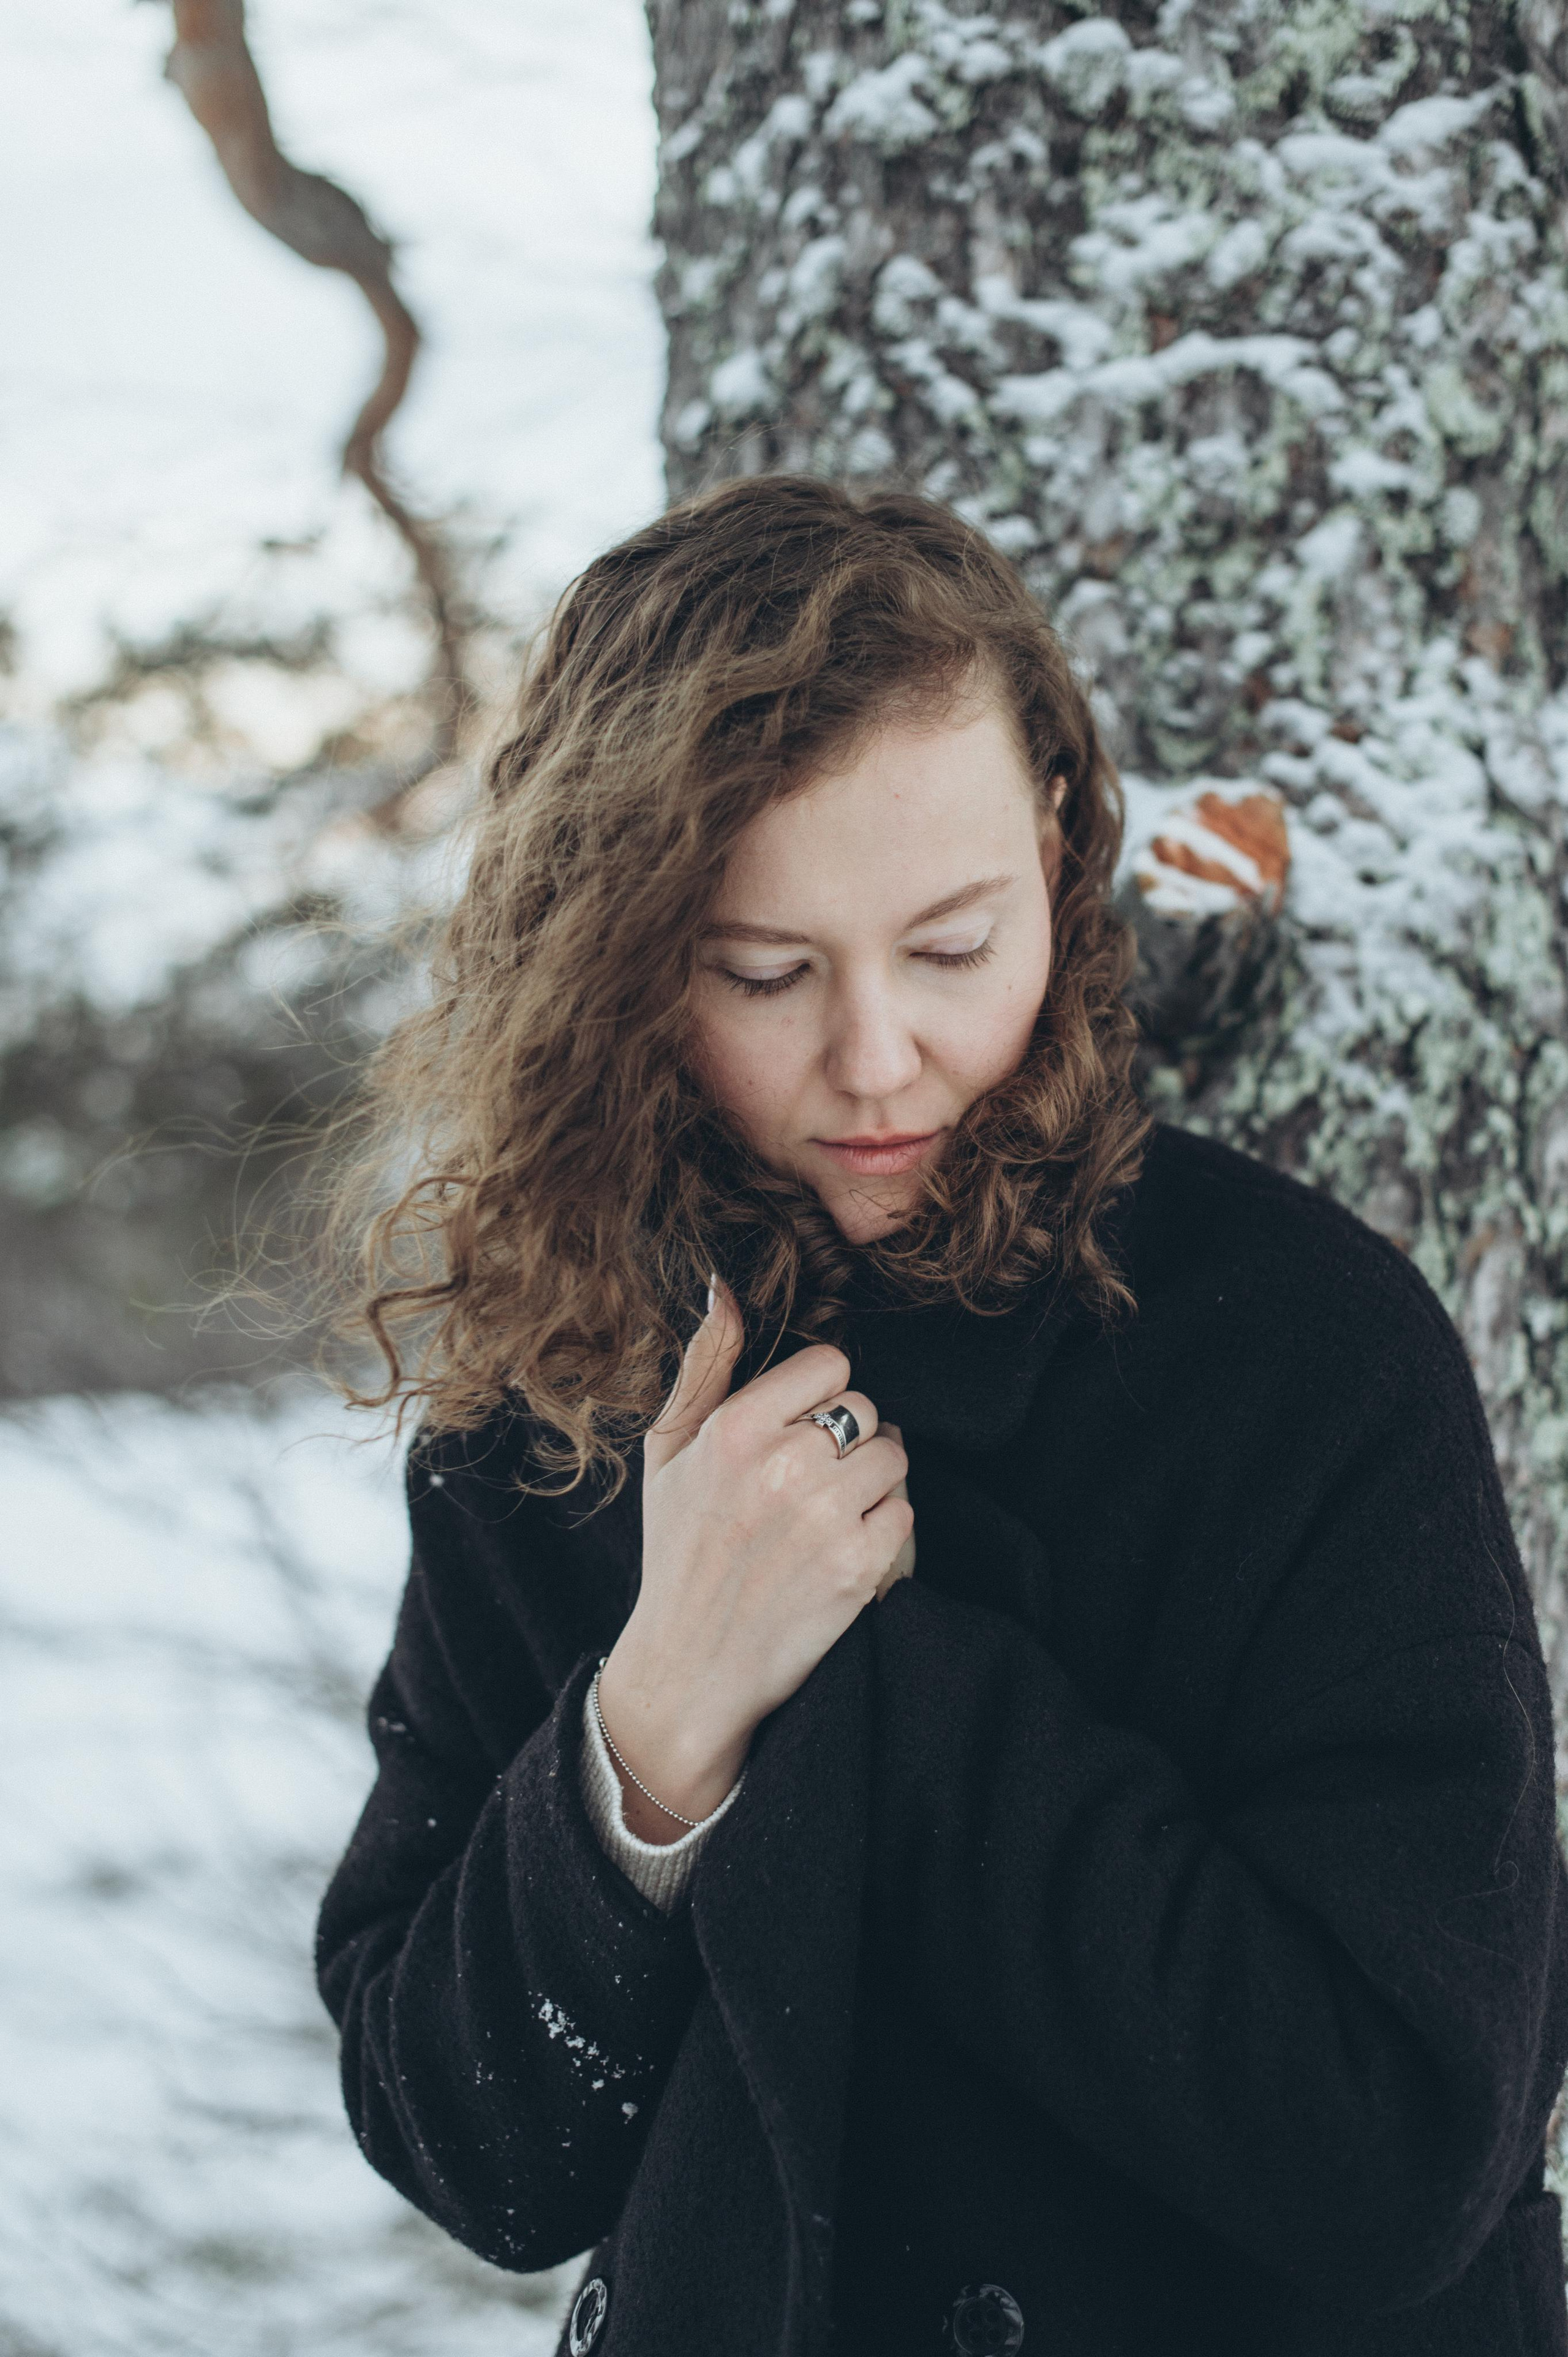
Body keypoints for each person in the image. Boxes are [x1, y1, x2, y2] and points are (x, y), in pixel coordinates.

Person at [315, 474, 1568, 2357]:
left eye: (955, 945)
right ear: (622, 955)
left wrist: (871, 1684)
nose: (878, 1057)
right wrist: (649, 1742)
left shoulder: (1299, 1346)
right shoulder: (562, 1381)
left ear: (1057, 842)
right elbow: (474, 2154)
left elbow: (1397, 2159)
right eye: (765, 973)